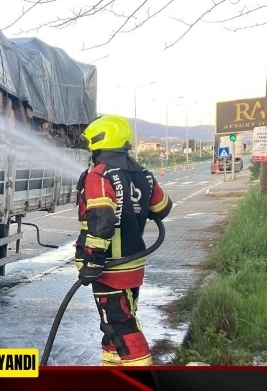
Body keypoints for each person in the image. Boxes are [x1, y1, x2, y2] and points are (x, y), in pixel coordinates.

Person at [74, 114, 173, 366]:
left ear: (100, 140)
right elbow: (162, 208)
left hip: (110, 267)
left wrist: (92, 263)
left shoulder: (99, 175)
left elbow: (102, 221)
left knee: (121, 325)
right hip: (134, 265)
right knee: (113, 324)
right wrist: (135, 203)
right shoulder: (143, 173)